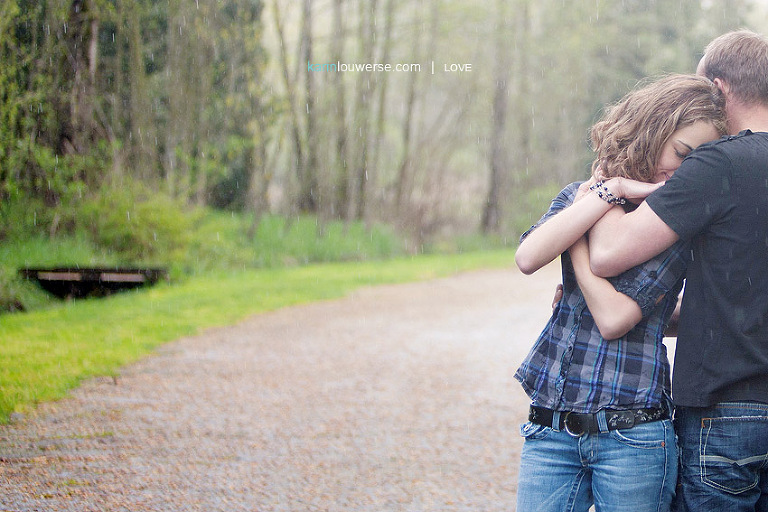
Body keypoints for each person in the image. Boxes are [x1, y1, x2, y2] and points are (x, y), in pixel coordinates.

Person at [513, 74, 727, 512]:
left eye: (696, 164)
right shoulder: (578, 195)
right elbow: (528, 257)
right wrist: (616, 191)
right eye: (681, 154)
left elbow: (613, 319)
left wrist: (576, 241)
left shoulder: (669, 228)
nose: (682, 173)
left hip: (633, 436)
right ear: (653, 129)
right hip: (550, 429)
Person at [581, 30, 768, 512]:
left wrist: (607, 182)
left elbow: (608, 253)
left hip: (727, 410)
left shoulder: (719, 163)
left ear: (719, 89)